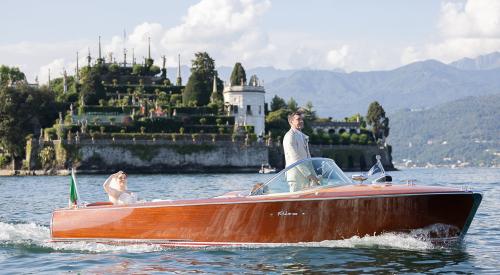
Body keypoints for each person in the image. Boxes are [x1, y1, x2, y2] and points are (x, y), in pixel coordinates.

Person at [283, 110, 319, 192]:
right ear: (291, 122)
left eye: (302, 119)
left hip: (307, 178)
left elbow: (308, 159)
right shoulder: (289, 136)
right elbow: (295, 159)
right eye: (298, 119)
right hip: (296, 178)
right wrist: (310, 175)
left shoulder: (303, 136)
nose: (301, 121)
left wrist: (314, 176)